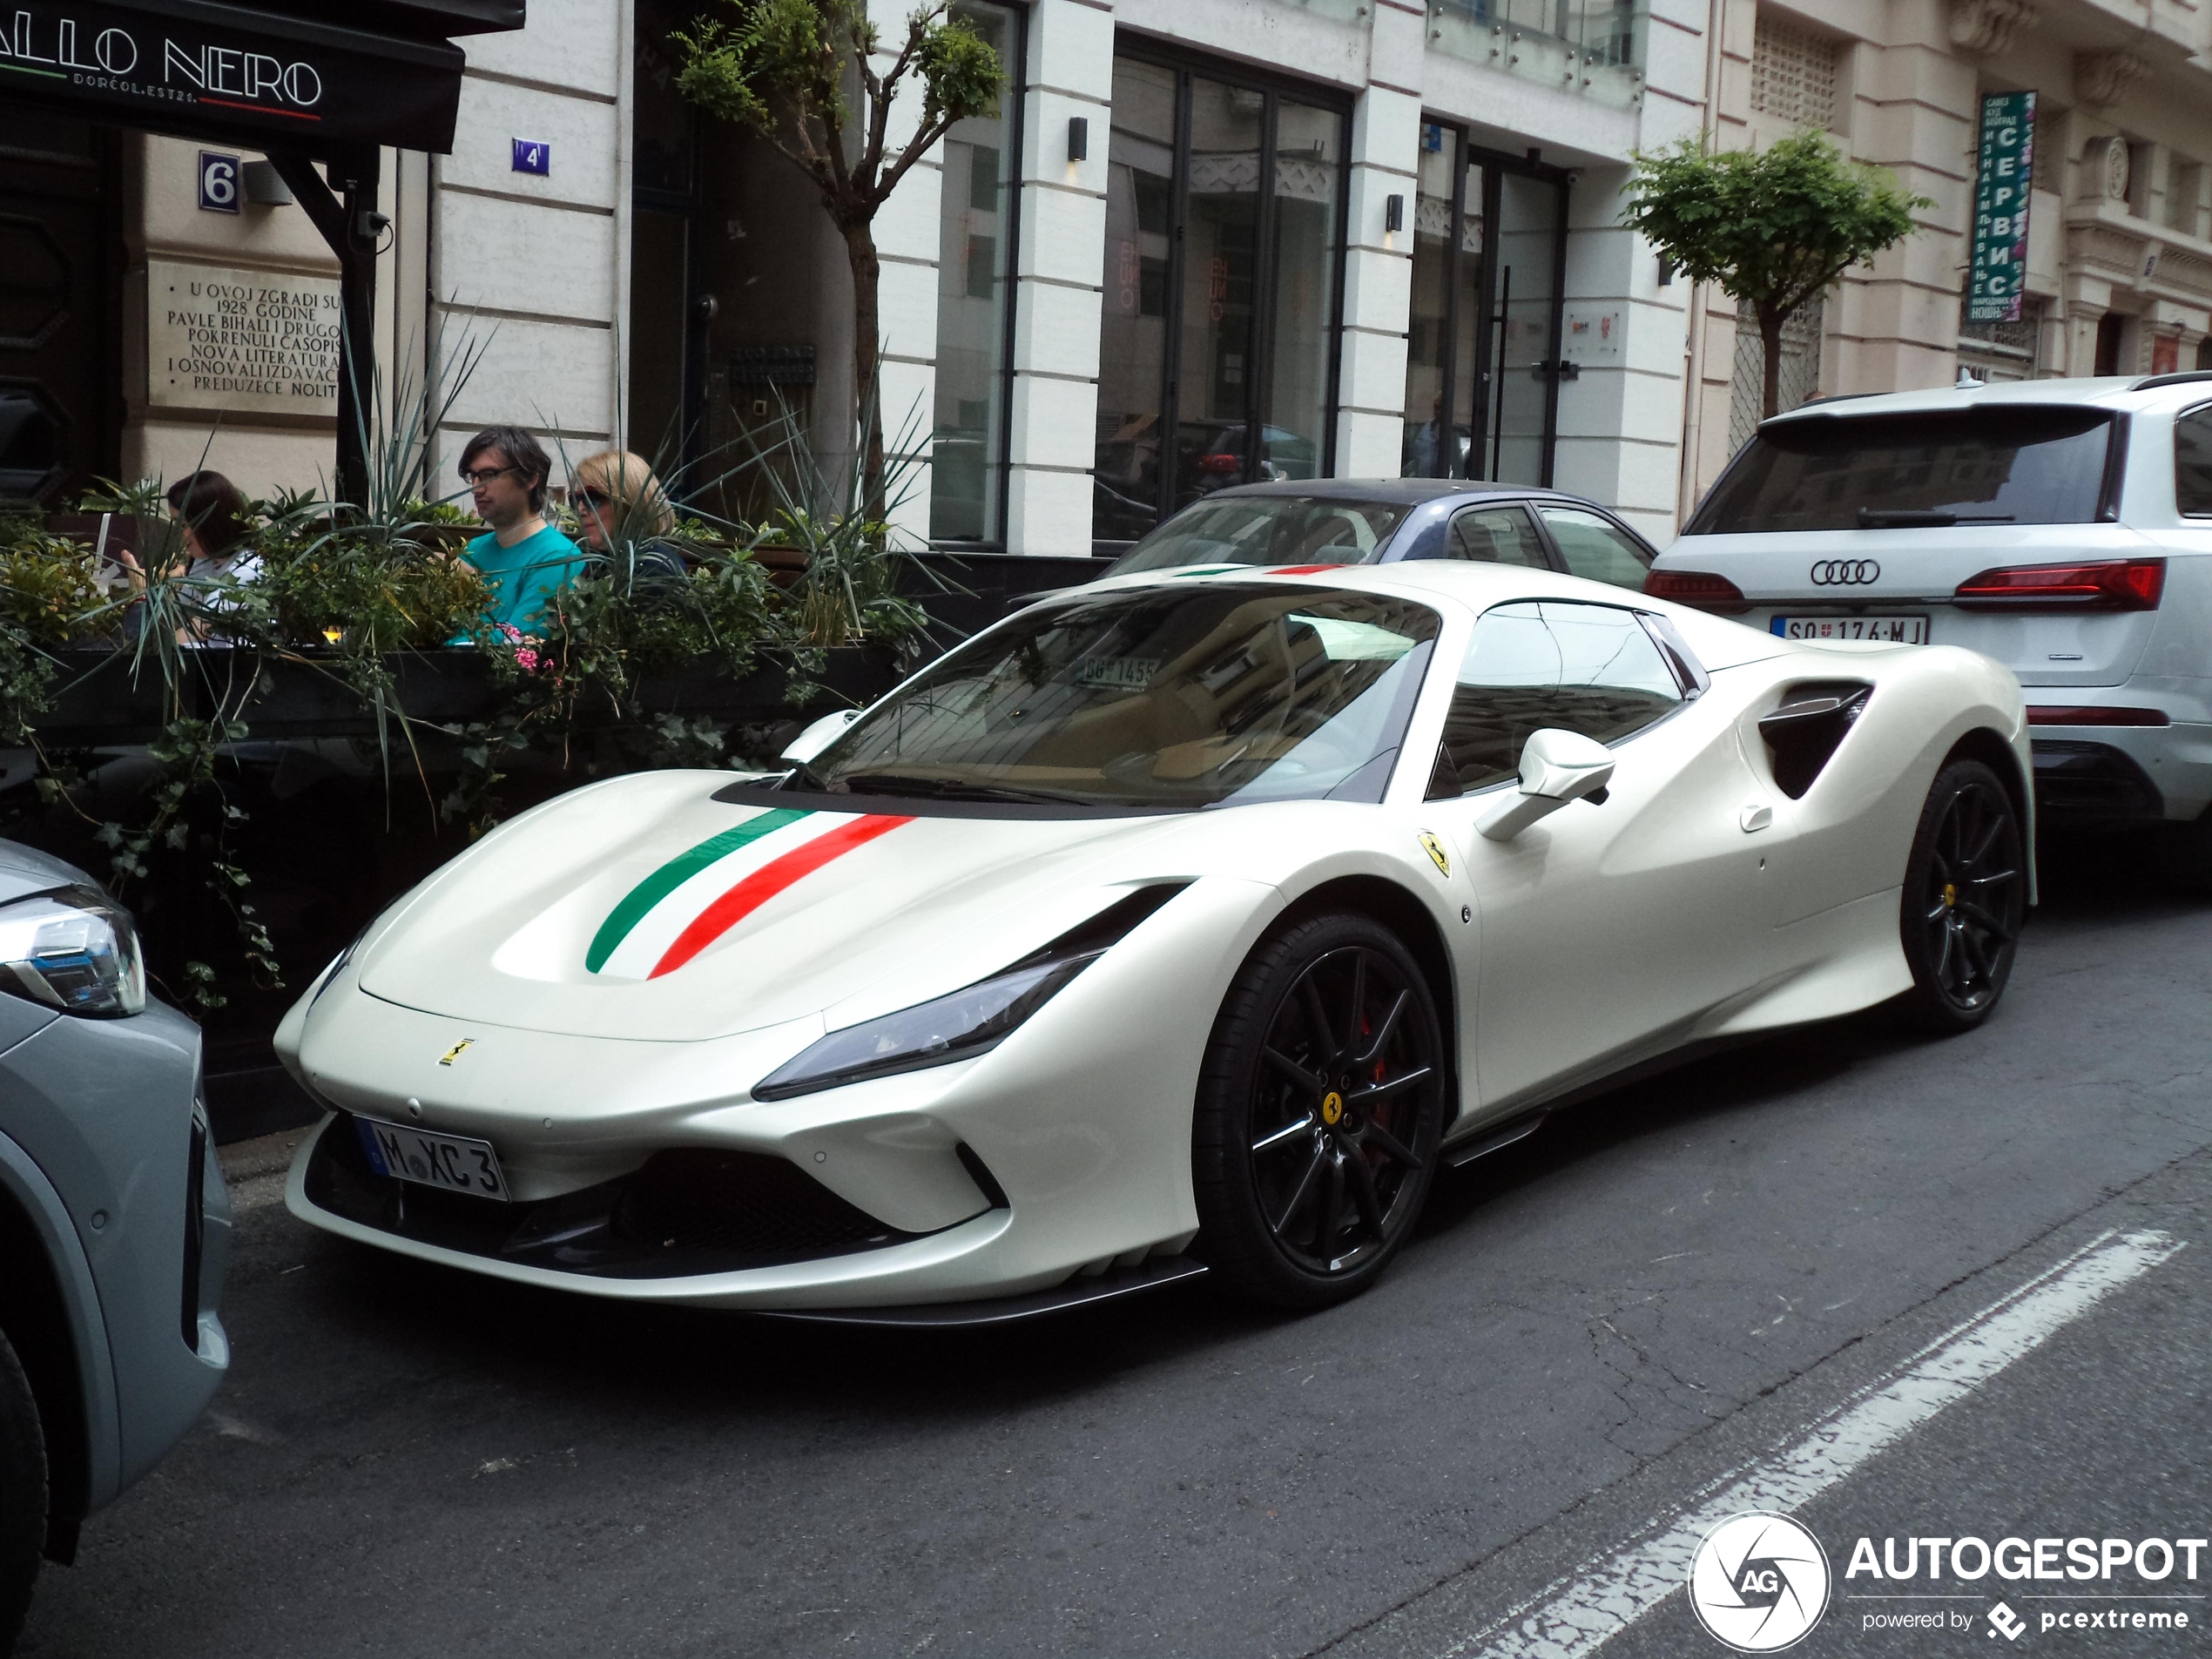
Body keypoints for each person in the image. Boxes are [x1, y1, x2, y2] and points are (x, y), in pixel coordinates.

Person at [457, 426, 583, 630]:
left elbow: (516, 646)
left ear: (531, 478)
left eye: (490, 475)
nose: (477, 488)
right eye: (474, 476)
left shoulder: (558, 557)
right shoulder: (473, 550)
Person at [116, 470, 262, 644]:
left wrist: (140, 597)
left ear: (211, 522)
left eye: (183, 524)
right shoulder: (206, 562)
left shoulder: (245, 573)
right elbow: (175, 619)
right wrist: (161, 588)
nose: (179, 534)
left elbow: (164, 645)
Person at [568, 449, 689, 597]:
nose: (580, 510)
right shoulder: (592, 562)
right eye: (575, 500)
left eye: (591, 498)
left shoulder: (657, 568)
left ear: (629, 502)